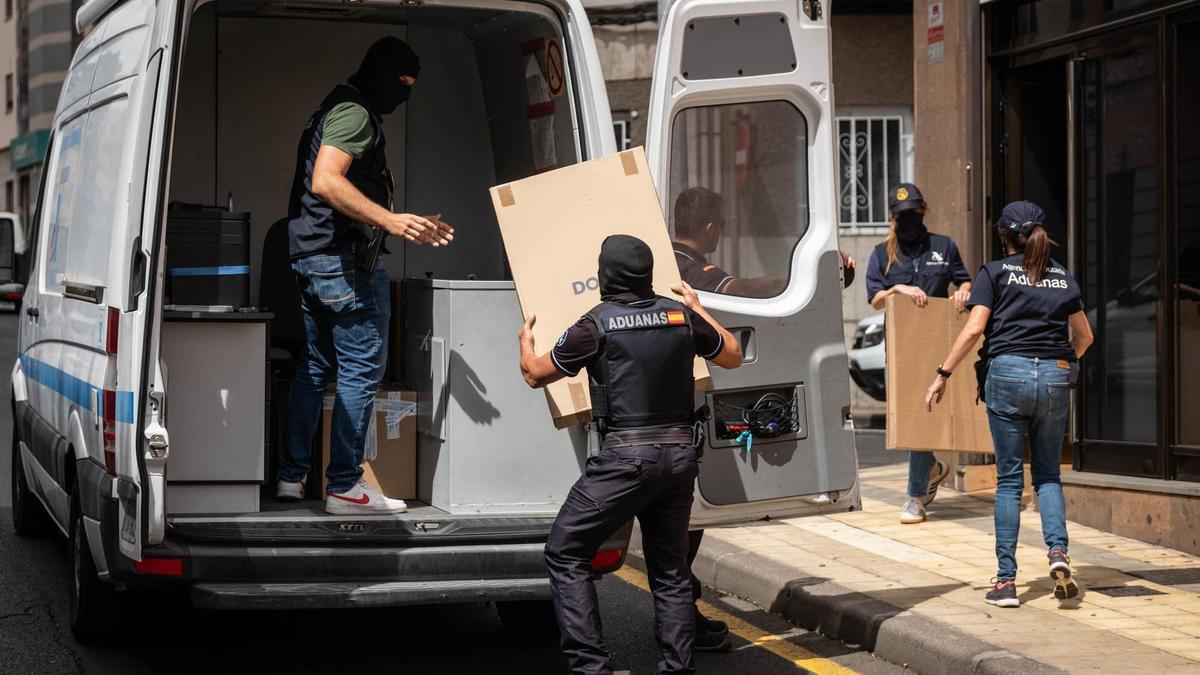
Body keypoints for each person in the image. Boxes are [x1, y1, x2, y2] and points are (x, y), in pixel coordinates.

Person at [520, 235, 743, 675]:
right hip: (679, 459)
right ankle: (677, 668)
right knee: (671, 571)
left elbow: (534, 373)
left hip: (624, 461)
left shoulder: (595, 325)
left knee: (565, 550)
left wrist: (524, 340)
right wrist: (698, 308)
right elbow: (732, 354)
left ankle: (591, 668)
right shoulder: (680, 316)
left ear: (605, 274)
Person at [671, 186, 856, 652]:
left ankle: (680, 610)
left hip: (656, 416)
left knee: (680, 521)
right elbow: (742, 293)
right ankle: (678, 619)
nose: (722, 231)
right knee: (682, 522)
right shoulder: (693, 271)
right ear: (709, 227)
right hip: (680, 418)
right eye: (721, 225)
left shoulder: (662, 261)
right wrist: (811, 276)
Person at [277, 37, 454, 515]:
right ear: (381, 73)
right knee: (361, 368)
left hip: (312, 257)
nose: (405, 92)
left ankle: (292, 476)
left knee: (315, 365)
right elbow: (326, 179)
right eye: (403, 82)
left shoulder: (335, 106)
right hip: (342, 263)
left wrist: (402, 221)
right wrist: (389, 220)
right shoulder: (354, 113)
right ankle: (343, 485)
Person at [924, 201, 1094, 608]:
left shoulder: (995, 272)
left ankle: (1006, 582)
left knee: (1010, 480)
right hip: (1054, 376)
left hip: (1007, 374)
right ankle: (1058, 552)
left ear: (1005, 238)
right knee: (1048, 475)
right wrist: (1057, 366)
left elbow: (975, 329)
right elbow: (1085, 337)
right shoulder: (1061, 276)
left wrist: (943, 373)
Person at [864, 182, 970, 525]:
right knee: (913, 414)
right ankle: (924, 482)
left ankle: (918, 489)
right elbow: (875, 299)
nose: (908, 220)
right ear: (893, 218)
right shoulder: (882, 253)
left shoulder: (944, 246)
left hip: (938, 342)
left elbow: (964, 280)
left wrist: (962, 293)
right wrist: (897, 288)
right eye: (901, 215)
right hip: (901, 346)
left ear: (923, 211)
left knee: (924, 412)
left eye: (912, 213)